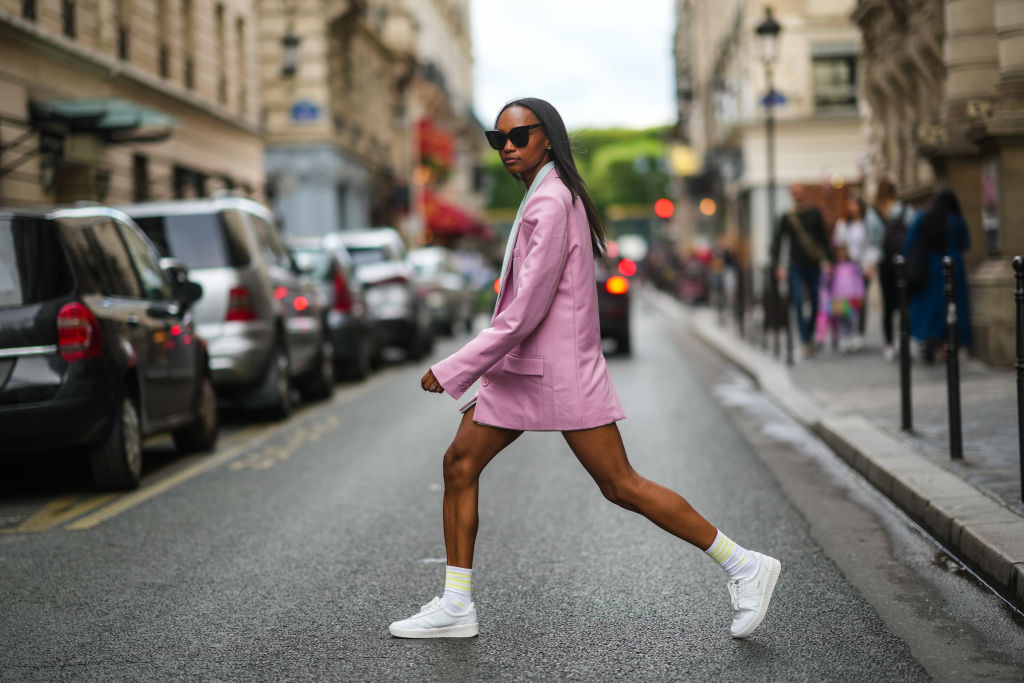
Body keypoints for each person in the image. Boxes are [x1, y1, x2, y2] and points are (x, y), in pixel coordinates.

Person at [388, 98, 781, 640]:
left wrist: (457, 365)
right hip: (526, 370)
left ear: (547, 138)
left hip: (559, 370)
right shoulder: (544, 196)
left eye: (518, 136)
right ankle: (456, 604)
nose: (506, 147)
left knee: (621, 485)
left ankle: (744, 564)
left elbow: (526, 309)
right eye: (496, 139)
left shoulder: (550, 202)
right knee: (459, 464)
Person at [903, 187, 972, 363]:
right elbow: (966, 242)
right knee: (949, 306)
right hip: (952, 268)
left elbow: (910, 242)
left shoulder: (922, 216)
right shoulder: (955, 220)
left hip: (929, 269)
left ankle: (928, 337)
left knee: (928, 307)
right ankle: (945, 344)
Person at [770, 184, 832, 357]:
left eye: (799, 192)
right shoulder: (787, 217)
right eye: (794, 192)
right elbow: (778, 242)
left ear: (804, 193)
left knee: (814, 301)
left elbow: (824, 238)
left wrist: (829, 260)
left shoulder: (815, 213)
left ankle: (810, 335)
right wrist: (778, 265)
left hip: (814, 264)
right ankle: (805, 339)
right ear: (791, 195)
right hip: (795, 265)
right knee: (797, 301)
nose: (797, 195)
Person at [866, 179, 913, 361]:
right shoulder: (905, 210)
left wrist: (869, 266)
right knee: (904, 303)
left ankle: (888, 345)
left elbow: (873, 243)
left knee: (887, 305)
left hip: (885, 263)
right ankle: (904, 341)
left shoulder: (873, 214)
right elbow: (912, 235)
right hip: (903, 261)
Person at [832, 197, 872, 351]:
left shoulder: (866, 225)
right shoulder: (843, 226)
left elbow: (870, 245)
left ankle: (859, 333)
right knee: (844, 303)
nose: (853, 208)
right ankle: (846, 334)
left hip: (861, 268)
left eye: (855, 205)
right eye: (850, 205)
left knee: (860, 301)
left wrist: (869, 265)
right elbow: (838, 245)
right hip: (846, 269)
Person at [828, 239, 866, 353]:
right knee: (841, 319)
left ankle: (850, 337)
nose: (841, 254)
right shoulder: (835, 267)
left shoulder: (852, 265)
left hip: (851, 296)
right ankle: (844, 338)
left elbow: (858, 280)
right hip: (839, 296)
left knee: (851, 318)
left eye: (843, 251)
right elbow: (830, 283)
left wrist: (860, 293)